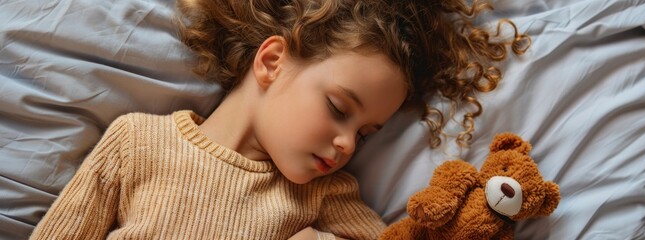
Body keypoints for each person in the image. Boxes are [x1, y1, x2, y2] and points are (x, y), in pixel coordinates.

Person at [30, 0, 527, 239]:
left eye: (366, 133)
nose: (348, 145)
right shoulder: (136, 141)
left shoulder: (326, 195)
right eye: (338, 109)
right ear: (272, 62)